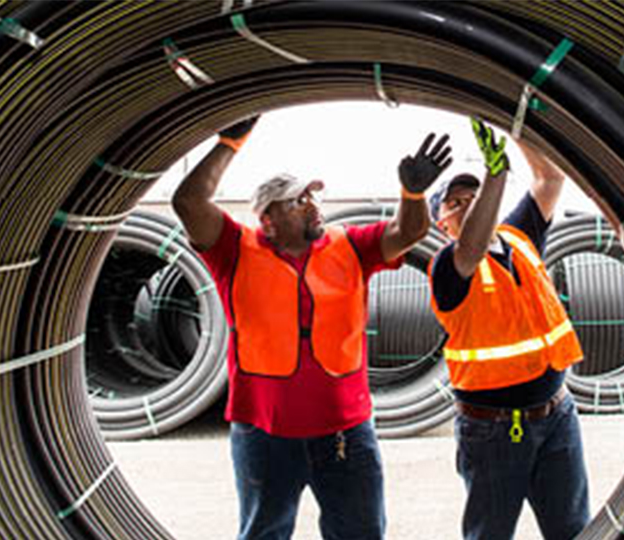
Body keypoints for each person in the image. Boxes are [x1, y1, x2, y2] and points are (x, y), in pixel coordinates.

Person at [171, 115, 452, 540]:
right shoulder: (234, 250)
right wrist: (230, 141)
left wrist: (413, 193)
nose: (313, 204)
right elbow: (189, 201)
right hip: (264, 432)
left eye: (312, 196)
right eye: (298, 200)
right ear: (268, 219)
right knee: (264, 532)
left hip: (345, 431)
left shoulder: (350, 246)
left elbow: (408, 230)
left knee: (360, 533)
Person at [427, 118, 590, 540]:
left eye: (472, 195)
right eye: (455, 203)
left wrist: (512, 119)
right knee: (490, 533)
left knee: (572, 530)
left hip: (557, 413)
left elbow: (550, 178)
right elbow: (473, 246)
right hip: (493, 429)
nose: (466, 203)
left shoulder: (519, 237)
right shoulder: (448, 266)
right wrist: (493, 177)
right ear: (441, 223)